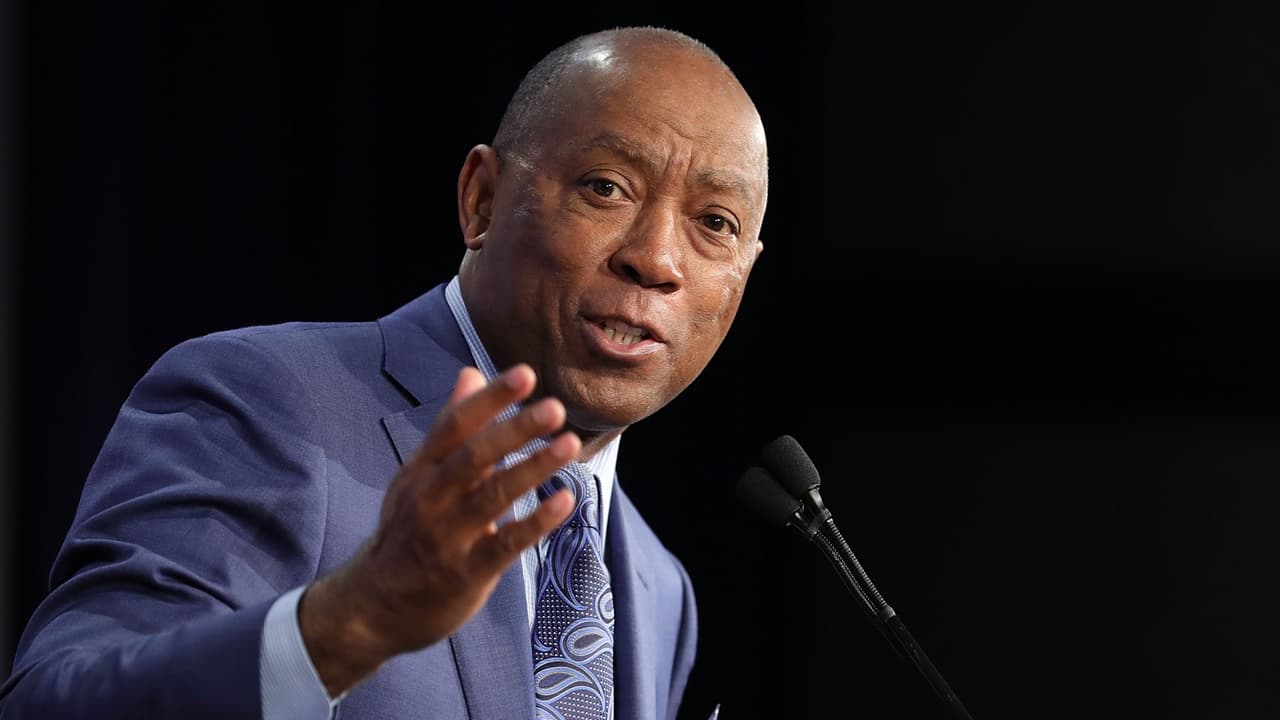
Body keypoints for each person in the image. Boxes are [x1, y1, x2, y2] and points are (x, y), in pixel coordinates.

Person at [0, 24, 768, 719]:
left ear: (743, 278)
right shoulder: (265, 400)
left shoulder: (660, 588)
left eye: (715, 223)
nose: (656, 259)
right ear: (482, 200)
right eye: (606, 187)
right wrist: (354, 622)